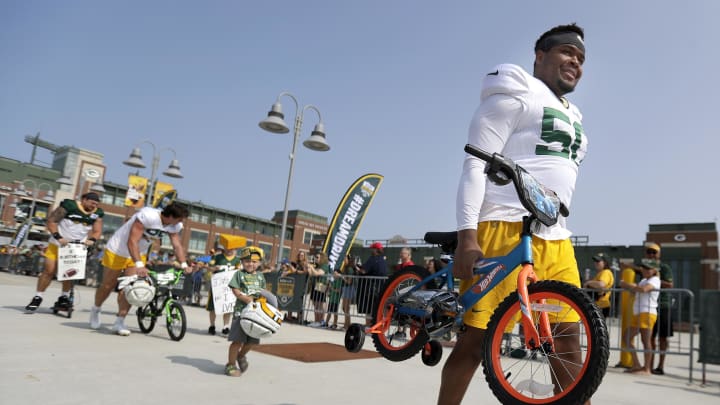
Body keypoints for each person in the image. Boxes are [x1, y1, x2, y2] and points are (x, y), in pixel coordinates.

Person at [441, 23, 589, 405]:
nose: (575, 61)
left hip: (556, 237)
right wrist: (467, 236)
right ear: (540, 56)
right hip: (503, 227)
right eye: (566, 52)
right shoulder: (517, 88)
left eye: (581, 58)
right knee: (476, 340)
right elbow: (474, 164)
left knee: (569, 340)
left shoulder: (576, 117)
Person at [89, 202, 190, 336]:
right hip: (118, 250)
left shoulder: (174, 225)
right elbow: (132, 241)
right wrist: (139, 265)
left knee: (132, 288)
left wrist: (184, 264)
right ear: (170, 216)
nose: (181, 222)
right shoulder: (148, 216)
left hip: (138, 253)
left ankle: (119, 321)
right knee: (108, 285)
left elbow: (177, 245)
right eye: (179, 218)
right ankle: (96, 309)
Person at [25, 192, 104, 312]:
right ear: (84, 199)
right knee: (49, 271)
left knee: (69, 274)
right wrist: (58, 237)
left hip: (76, 248)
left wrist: (92, 240)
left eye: (96, 204)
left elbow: (97, 231)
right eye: (92, 203)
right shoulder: (69, 206)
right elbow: (51, 221)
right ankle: (38, 296)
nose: (94, 206)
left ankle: (64, 297)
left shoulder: (97, 213)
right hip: (57, 244)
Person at [225, 246, 273, 377]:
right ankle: (230, 365)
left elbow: (263, 293)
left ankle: (241, 356)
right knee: (237, 341)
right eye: (247, 261)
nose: (250, 264)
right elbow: (235, 290)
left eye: (254, 261)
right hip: (241, 313)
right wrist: (245, 298)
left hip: (256, 314)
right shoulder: (239, 274)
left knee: (252, 341)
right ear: (242, 262)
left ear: (259, 263)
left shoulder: (260, 276)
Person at [620, 259, 661, 374]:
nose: (645, 270)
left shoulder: (655, 279)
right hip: (639, 313)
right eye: (644, 268)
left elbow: (643, 290)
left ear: (654, 270)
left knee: (646, 341)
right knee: (627, 337)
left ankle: (647, 368)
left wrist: (627, 285)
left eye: (648, 268)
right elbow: (637, 290)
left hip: (647, 313)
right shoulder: (644, 280)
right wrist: (631, 286)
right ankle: (637, 364)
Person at [645, 242, 674, 375]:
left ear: (659, 254)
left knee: (662, 338)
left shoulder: (664, 267)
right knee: (649, 337)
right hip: (649, 306)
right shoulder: (645, 267)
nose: (651, 254)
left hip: (663, 305)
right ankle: (649, 366)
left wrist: (654, 279)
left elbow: (670, 284)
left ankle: (660, 366)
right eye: (649, 252)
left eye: (654, 252)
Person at [206, 245, 242, 335]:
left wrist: (239, 270)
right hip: (217, 287)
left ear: (235, 249)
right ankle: (212, 325)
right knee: (213, 307)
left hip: (229, 287)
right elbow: (208, 266)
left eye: (232, 248)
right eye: (228, 248)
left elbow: (240, 272)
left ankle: (226, 326)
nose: (230, 250)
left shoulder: (237, 260)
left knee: (227, 306)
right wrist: (214, 268)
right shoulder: (217, 257)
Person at [356, 242, 387, 326]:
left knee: (369, 310)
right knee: (378, 309)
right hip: (380, 289)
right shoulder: (383, 260)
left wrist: (355, 267)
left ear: (375, 250)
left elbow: (364, 271)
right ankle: (378, 327)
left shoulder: (372, 259)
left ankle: (369, 326)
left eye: (372, 248)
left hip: (370, 289)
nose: (371, 250)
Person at [615, 260, 638, 369]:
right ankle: (626, 361)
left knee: (628, 337)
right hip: (629, 310)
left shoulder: (631, 274)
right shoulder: (628, 274)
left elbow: (639, 288)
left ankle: (631, 362)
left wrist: (625, 284)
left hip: (638, 313)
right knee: (626, 337)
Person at [583, 253, 615, 318]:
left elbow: (601, 284)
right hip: (599, 304)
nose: (595, 263)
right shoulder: (601, 273)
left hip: (602, 304)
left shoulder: (606, 272)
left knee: (599, 327)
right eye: (595, 261)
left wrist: (588, 283)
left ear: (605, 263)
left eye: (598, 261)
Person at [307, 252, 328, 326]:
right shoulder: (316, 265)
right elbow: (312, 274)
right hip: (315, 284)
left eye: (317, 257)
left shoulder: (324, 266)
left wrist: (312, 267)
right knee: (315, 304)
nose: (316, 258)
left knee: (320, 304)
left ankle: (321, 321)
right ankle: (316, 321)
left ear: (322, 258)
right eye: (315, 257)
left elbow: (318, 273)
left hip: (321, 285)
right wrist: (309, 269)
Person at [339, 254, 357, 330]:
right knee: (344, 308)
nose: (344, 260)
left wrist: (341, 277)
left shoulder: (349, 269)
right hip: (346, 288)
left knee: (346, 308)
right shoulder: (346, 268)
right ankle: (347, 323)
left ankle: (347, 325)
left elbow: (349, 281)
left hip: (349, 288)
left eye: (345, 259)